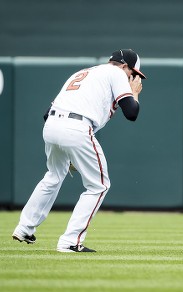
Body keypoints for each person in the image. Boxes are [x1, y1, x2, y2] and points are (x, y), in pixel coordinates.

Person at [12, 49, 146, 252]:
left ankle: (24, 227)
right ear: (125, 66)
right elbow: (131, 112)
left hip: (52, 125)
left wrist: (70, 150)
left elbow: (47, 113)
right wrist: (135, 93)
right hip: (77, 127)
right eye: (133, 73)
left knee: (53, 176)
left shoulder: (84, 73)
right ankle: (70, 241)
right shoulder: (117, 73)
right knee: (99, 186)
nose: (133, 78)